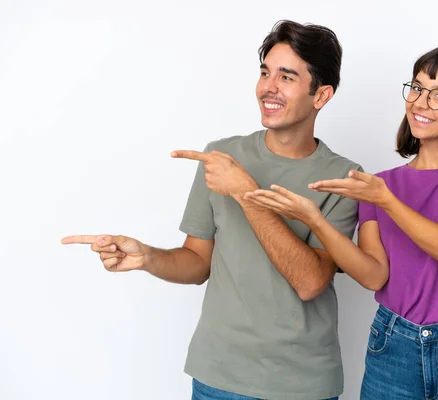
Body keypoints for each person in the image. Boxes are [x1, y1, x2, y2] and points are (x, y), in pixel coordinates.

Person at [62, 20, 362, 400]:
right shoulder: (222, 156)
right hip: (217, 377)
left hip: (301, 385)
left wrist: (245, 192)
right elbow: (197, 261)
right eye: (265, 72)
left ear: (321, 95)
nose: (268, 87)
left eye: (287, 77)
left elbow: (310, 282)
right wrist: (147, 257)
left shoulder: (344, 178)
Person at [245, 45, 438, 399]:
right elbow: (374, 276)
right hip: (392, 344)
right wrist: (315, 219)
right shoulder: (379, 184)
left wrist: (386, 200)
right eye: (416, 88)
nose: (419, 102)